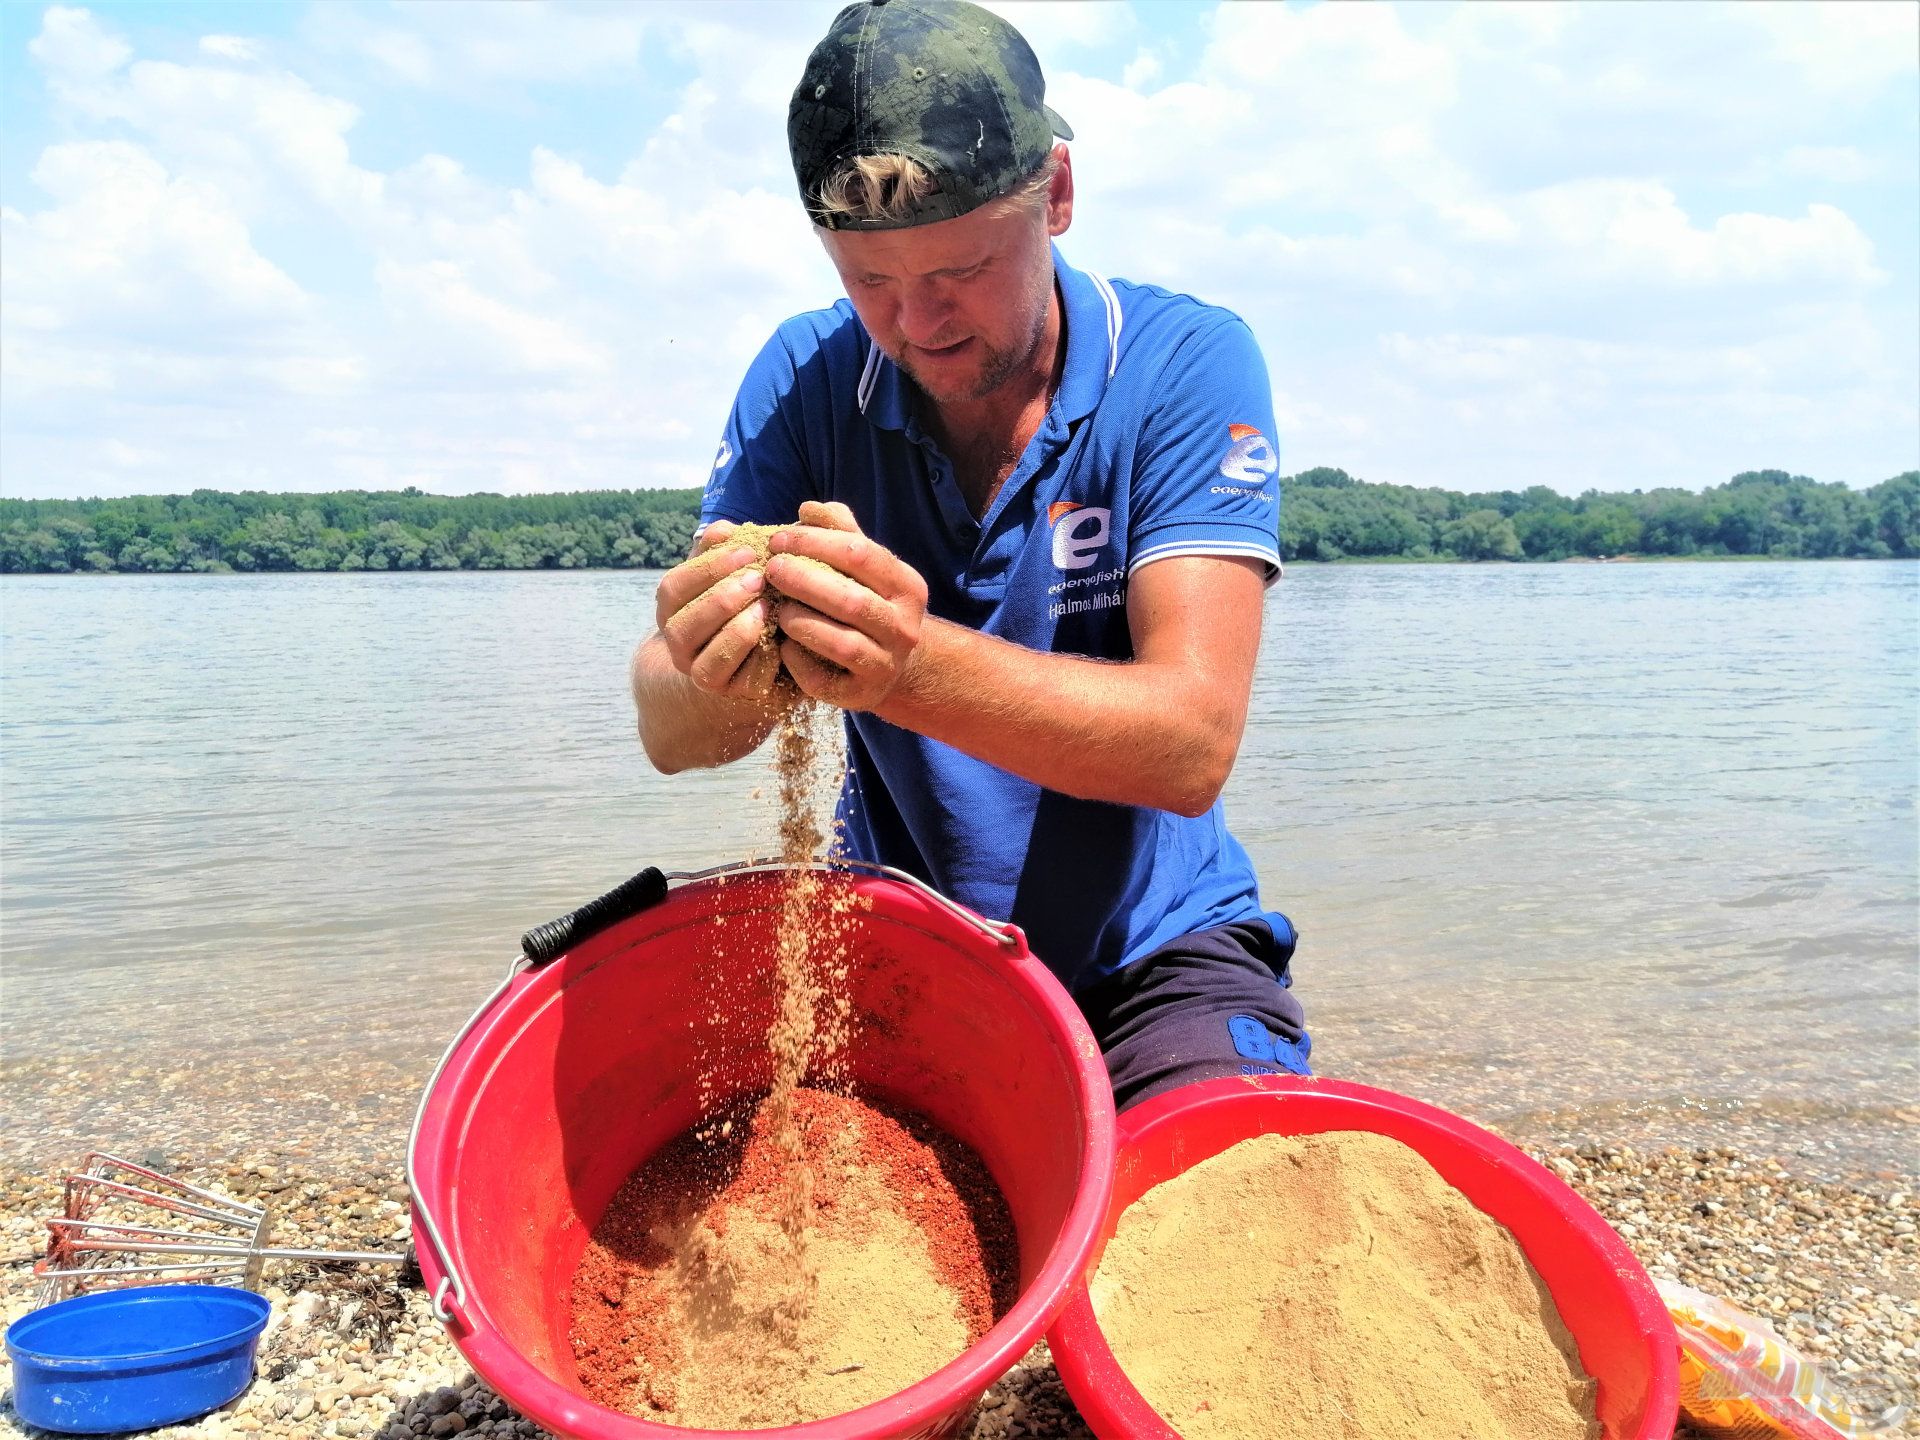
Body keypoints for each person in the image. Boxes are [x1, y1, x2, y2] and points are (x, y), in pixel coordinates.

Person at [631, 0, 1309, 1111]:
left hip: (1159, 956)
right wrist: (710, 656)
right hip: (911, 944)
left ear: (1059, 196)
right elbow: (668, 732)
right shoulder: (808, 379)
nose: (918, 322)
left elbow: (1190, 744)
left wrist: (907, 667)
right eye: (869, 281)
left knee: (1218, 1202)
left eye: (961, 270)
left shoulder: (1186, 361)